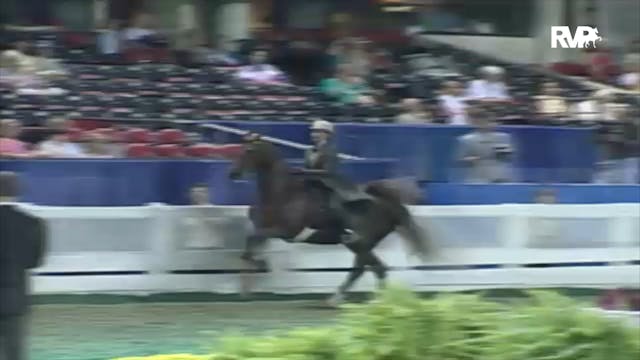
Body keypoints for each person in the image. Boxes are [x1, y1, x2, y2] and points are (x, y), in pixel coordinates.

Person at [0, 171, 47, 360]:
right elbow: (34, 262)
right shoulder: (33, 223)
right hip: (15, 297)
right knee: (15, 352)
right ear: (17, 192)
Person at [455, 108, 516, 183]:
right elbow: (459, 159)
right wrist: (469, 159)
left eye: (492, 121)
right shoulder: (466, 139)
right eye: (484, 121)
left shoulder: (503, 137)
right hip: (476, 178)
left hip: (500, 177)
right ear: (476, 122)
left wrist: (506, 154)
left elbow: (509, 158)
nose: (489, 124)